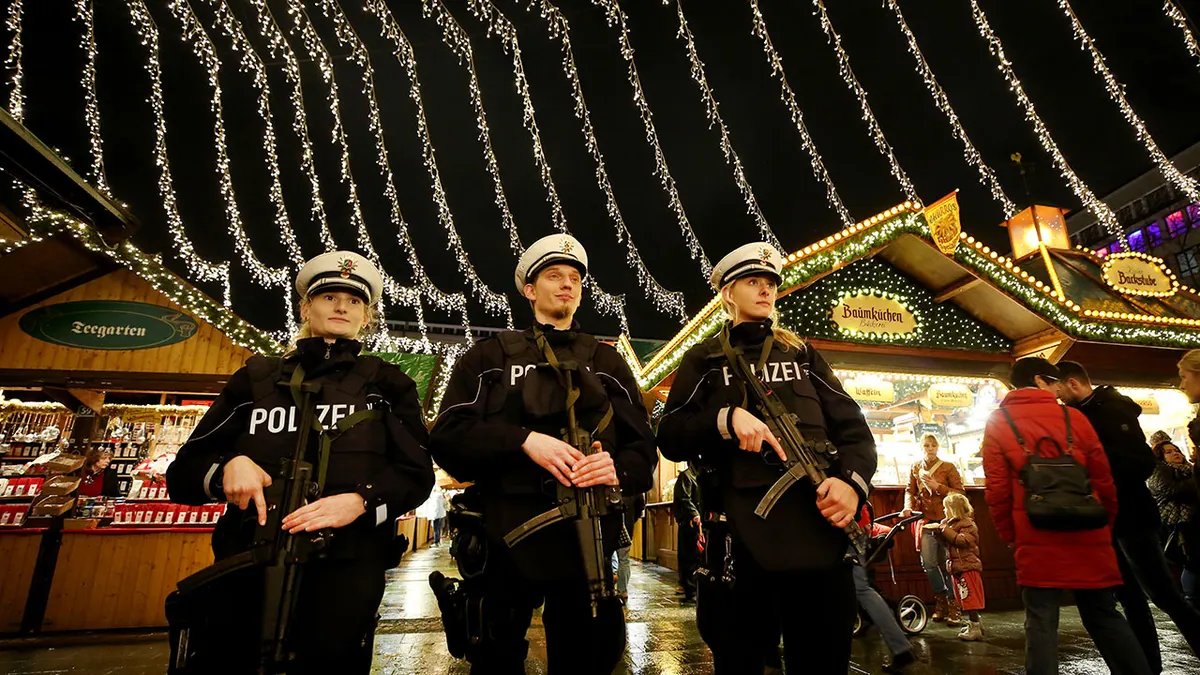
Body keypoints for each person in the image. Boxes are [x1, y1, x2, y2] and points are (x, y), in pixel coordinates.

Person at [165, 251, 435, 674]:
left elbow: (416, 475)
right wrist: (228, 467)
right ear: (306, 308)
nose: (342, 306)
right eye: (329, 297)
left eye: (354, 300)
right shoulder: (257, 378)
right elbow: (182, 474)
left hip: (347, 566)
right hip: (251, 559)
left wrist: (361, 501)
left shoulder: (387, 384)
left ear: (366, 316)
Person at [428, 234, 657, 674]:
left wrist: (616, 468)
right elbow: (448, 437)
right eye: (554, 276)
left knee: (586, 658)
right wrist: (523, 441)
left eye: (575, 278)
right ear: (530, 290)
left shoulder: (606, 362)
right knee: (495, 658)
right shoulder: (489, 357)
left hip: (585, 535)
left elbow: (643, 447)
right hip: (505, 534)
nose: (567, 284)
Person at [657, 242, 876, 674]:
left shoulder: (801, 354)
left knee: (823, 661)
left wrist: (852, 485)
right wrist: (723, 419)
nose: (765, 290)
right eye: (753, 282)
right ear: (727, 293)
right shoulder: (704, 358)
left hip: (817, 536)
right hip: (738, 546)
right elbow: (669, 436)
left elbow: (854, 430)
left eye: (771, 283)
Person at [981, 358, 1149, 675]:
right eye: (1054, 381)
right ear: (1039, 380)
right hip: (1088, 530)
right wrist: (1104, 524)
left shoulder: (999, 422)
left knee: (1041, 621)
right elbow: (1103, 480)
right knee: (1104, 614)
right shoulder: (1075, 418)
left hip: (1035, 532)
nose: (1059, 389)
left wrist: (1011, 535)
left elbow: (997, 490)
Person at [1055, 360, 1200, 671]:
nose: (1057, 396)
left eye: (1059, 389)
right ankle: (1147, 666)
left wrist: (1097, 465)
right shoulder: (1078, 415)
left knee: (1164, 595)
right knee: (1130, 598)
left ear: (1072, 383)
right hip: (1108, 520)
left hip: (1132, 517)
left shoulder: (1112, 409)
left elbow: (1141, 463)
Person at [901, 434, 964, 625]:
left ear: (938, 447)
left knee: (948, 564)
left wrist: (939, 487)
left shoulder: (948, 467)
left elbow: (960, 493)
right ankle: (941, 600)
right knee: (929, 564)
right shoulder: (915, 467)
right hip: (926, 521)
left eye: (933, 445)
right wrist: (907, 506)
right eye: (926, 445)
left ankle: (954, 604)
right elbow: (910, 490)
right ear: (921, 447)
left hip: (946, 521)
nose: (930, 448)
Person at [853, 506, 915, 673]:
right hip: (853, 527)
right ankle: (901, 648)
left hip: (845, 530)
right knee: (862, 589)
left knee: (861, 589)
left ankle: (901, 648)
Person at [1148, 439, 1200, 605]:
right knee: (1191, 562)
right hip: (1178, 524)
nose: (1175, 453)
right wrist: (1197, 481)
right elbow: (1170, 489)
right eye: (1168, 452)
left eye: (1176, 450)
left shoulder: (1189, 470)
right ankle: (1191, 598)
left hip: (1193, 521)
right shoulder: (1159, 470)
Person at [940, 492, 985, 641]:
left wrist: (945, 530)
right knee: (963, 599)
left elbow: (962, 541)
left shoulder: (968, 525)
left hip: (968, 567)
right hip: (957, 567)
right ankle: (974, 623)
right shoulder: (950, 525)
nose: (944, 511)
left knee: (970, 599)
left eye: (946, 508)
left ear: (954, 509)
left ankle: (975, 627)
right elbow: (949, 543)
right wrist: (939, 533)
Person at [673, 463, 702, 604]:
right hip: (688, 522)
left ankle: (692, 587)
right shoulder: (687, 476)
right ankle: (690, 589)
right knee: (688, 556)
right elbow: (685, 498)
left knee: (695, 556)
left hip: (695, 521)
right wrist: (695, 514)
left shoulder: (698, 475)